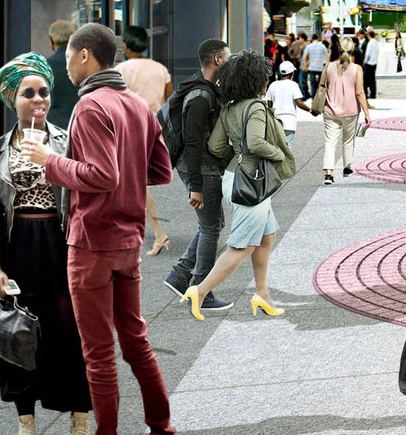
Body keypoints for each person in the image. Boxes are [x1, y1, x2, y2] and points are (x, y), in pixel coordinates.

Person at [18, 22, 178, 435]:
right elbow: (161, 171)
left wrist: (50, 162)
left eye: (68, 56)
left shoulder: (90, 104)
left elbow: (100, 175)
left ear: (85, 56)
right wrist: (124, 181)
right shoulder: (135, 104)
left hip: (92, 241)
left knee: (99, 355)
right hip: (128, 240)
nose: (65, 64)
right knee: (136, 344)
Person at [0, 53, 94, 435]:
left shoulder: (67, 140)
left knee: (71, 334)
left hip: (62, 243)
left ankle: (80, 422)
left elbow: (85, 191)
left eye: (44, 91)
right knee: (18, 336)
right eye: (28, 93)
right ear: (12, 98)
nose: (38, 99)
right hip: (19, 247)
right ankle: (25, 425)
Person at [184, 50, 295, 321]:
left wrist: (238, 151)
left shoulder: (230, 108)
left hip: (234, 177)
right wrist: (278, 153)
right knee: (242, 246)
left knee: (266, 237)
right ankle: (199, 292)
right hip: (252, 182)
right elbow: (257, 142)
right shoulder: (255, 107)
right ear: (256, 79)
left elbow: (215, 146)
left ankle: (262, 294)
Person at [163, 40, 234, 314]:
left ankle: (180, 275)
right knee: (211, 228)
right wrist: (195, 186)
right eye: (227, 57)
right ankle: (201, 290)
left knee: (213, 223)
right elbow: (193, 142)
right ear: (217, 59)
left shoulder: (201, 89)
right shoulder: (200, 97)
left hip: (203, 167)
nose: (229, 61)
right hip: (201, 169)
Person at [115, 25, 172, 256]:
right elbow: (169, 96)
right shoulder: (160, 69)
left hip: (129, 130)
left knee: (131, 183)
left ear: (126, 46)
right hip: (153, 128)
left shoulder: (120, 70)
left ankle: (157, 233)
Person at [322, 38, 369, 184]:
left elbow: (321, 87)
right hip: (351, 110)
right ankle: (347, 167)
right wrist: (367, 113)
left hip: (330, 109)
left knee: (330, 141)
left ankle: (329, 173)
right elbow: (360, 92)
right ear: (353, 49)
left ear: (338, 48)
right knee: (348, 140)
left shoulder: (328, 66)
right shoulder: (357, 68)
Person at [46, 20, 80, 128]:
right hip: (82, 127)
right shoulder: (86, 63)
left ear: (51, 40)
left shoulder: (45, 66)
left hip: (55, 128)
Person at [266, 61, 309, 147]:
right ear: (291, 73)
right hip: (289, 121)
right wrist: (311, 110)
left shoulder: (273, 85)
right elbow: (299, 103)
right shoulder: (294, 85)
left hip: (276, 120)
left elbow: (269, 104)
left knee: (276, 147)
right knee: (288, 147)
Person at [301, 33, 329, 99]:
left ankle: (313, 99)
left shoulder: (309, 46)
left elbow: (304, 56)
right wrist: (327, 65)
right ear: (318, 39)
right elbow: (327, 55)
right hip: (320, 68)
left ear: (312, 39)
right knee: (320, 84)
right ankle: (319, 98)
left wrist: (305, 66)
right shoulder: (322, 46)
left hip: (312, 68)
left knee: (312, 84)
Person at [362, 30, 380, 100]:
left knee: (365, 80)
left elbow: (368, 53)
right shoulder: (376, 43)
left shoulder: (370, 43)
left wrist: (365, 61)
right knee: (372, 79)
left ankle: (365, 93)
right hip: (374, 63)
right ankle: (373, 94)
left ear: (369, 35)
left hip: (369, 63)